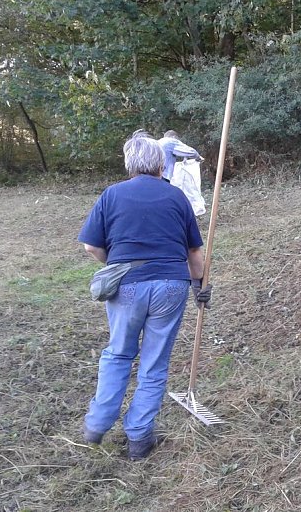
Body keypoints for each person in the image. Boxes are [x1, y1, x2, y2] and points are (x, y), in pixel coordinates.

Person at [78, 130, 212, 461]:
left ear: (129, 163)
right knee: (154, 362)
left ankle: (97, 425)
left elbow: (91, 246)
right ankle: (139, 438)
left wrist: (118, 264)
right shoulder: (177, 197)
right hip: (171, 286)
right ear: (159, 164)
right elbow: (195, 251)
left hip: (126, 285)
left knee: (119, 353)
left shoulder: (111, 195)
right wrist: (199, 285)